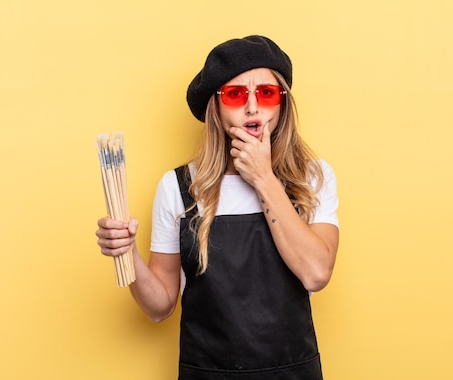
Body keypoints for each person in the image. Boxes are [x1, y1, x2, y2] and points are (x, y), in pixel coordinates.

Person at [96, 35, 340, 379]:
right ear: (217, 107)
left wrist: (263, 178)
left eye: (267, 94)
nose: (252, 108)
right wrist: (127, 253)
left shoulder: (312, 177)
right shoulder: (179, 188)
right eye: (236, 95)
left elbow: (316, 274)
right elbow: (159, 307)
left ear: (282, 103)